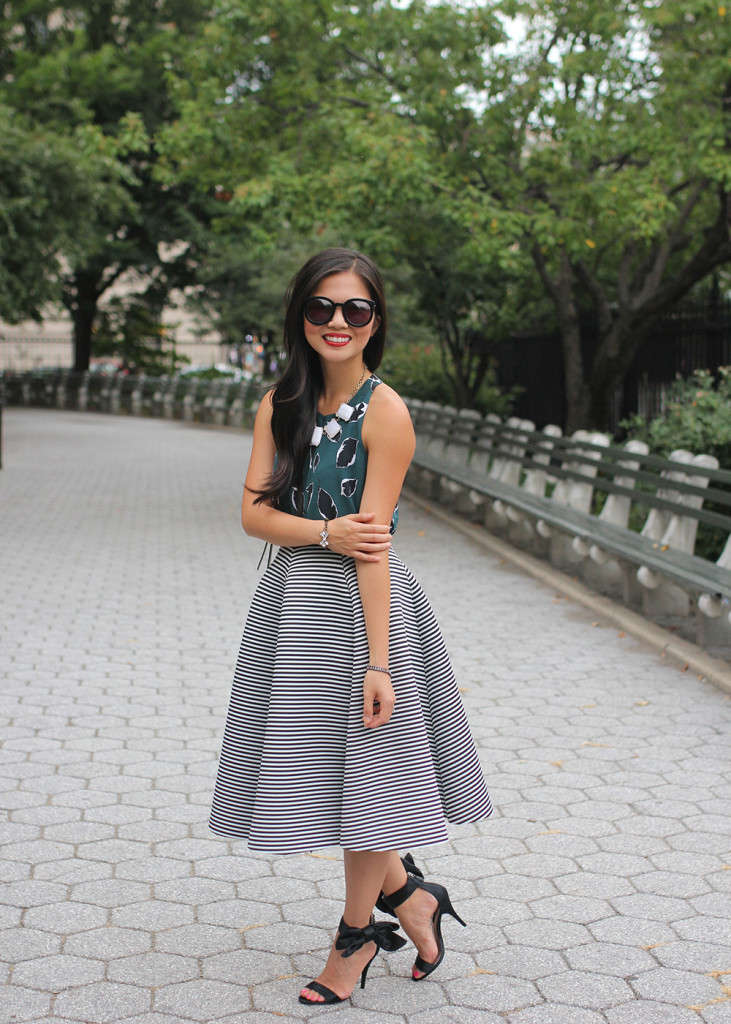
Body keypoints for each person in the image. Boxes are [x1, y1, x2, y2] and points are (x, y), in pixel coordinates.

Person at [209, 248, 492, 1004]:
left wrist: (379, 661)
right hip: (295, 606)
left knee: (368, 778)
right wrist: (325, 534)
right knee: (327, 777)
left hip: (368, 612)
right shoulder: (280, 403)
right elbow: (251, 516)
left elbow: (375, 544)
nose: (337, 323)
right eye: (321, 308)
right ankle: (413, 897)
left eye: (355, 310)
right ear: (300, 316)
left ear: (376, 322)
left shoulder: (387, 411)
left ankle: (353, 938)